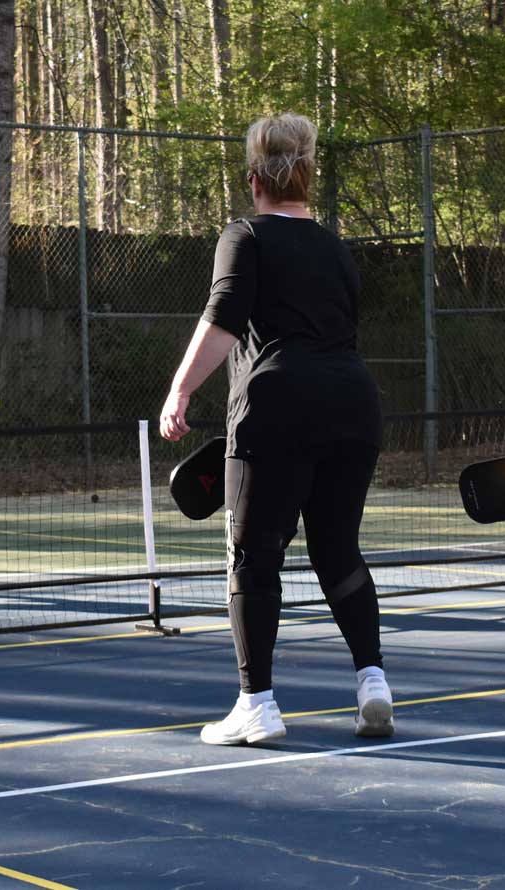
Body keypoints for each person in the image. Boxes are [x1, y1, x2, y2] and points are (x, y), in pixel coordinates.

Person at [159, 113, 391, 746]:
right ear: (306, 178)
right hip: (354, 407)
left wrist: (180, 391)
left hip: (277, 409)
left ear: (252, 178)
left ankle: (256, 703)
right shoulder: (336, 246)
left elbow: (224, 319)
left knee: (253, 556)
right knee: (337, 548)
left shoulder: (244, 235)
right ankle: (373, 680)